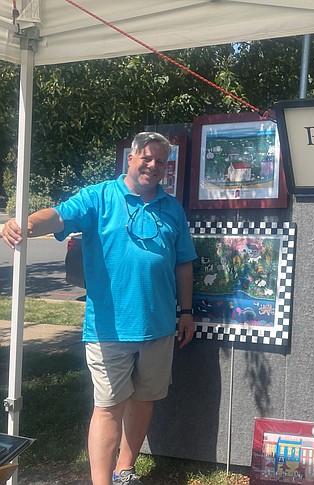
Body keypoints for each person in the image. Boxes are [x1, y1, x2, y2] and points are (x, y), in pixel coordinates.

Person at [1, 132, 197, 485]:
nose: (153, 166)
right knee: (107, 408)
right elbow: (59, 217)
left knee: (144, 401)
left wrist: (186, 312)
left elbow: (183, 263)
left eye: (160, 162)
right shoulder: (99, 196)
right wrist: (27, 224)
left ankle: (125, 470)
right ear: (132, 158)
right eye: (147, 159)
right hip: (109, 327)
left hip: (160, 324)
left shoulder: (172, 208)